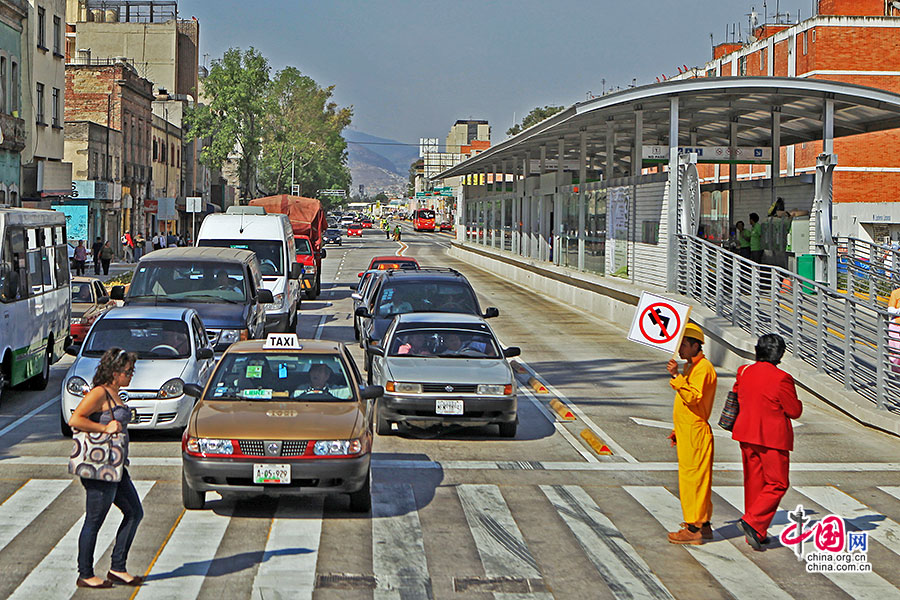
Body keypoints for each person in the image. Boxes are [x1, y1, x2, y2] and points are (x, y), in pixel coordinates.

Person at [68, 348, 144, 589]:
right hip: (100, 468)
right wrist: (105, 428)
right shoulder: (100, 393)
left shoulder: (116, 393)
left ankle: (118, 568)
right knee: (94, 520)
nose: (131, 375)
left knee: (134, 512)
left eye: (132, 370)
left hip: (116, 466)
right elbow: (76, 419)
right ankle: (85, 574)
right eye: (128, 371)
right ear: (114, 372)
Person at [731, 333, 802, 550]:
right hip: (772, 437)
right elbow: (794, 411)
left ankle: (757, 531)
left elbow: (738, 394)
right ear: (780, 354)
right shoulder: (782, 378)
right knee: (777, 483)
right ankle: (752, 522)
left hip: (746, 432)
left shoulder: (744, 371)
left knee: (754, 483)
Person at [665, 323, 717, 544]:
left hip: (696, 432)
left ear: (696, 346)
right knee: (697, 478)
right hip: (689, 431)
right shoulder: (692, 367)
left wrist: (676, 377)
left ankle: (694, 528)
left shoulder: (703, 368)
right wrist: (679, 429)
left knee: (692, 479)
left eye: (685, 345)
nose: (681, 349)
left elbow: (694, 397)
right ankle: (703, 524)